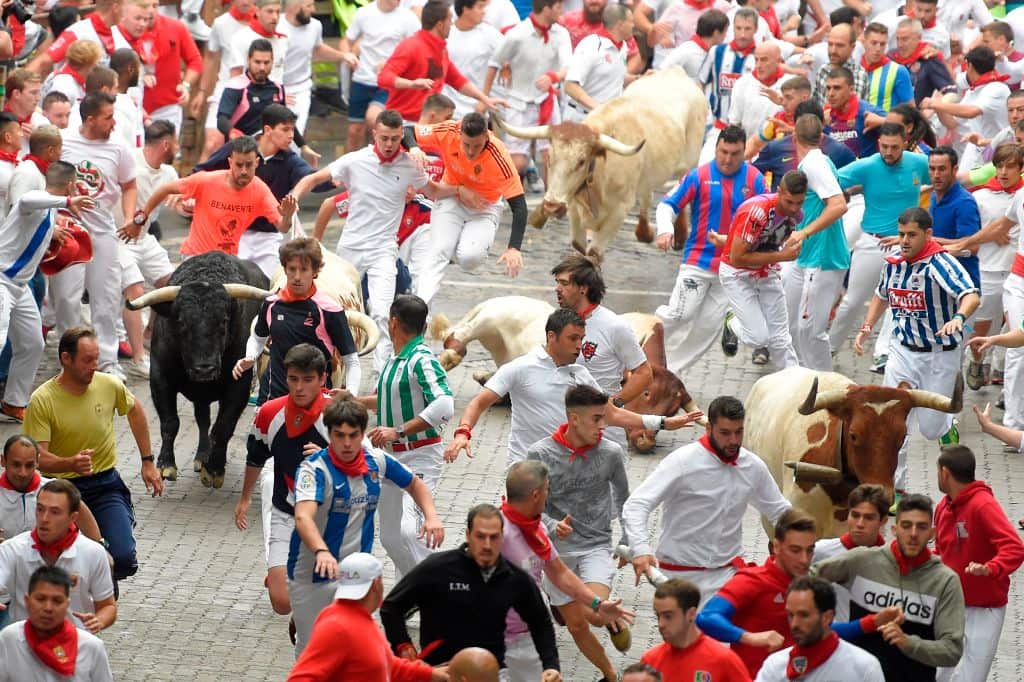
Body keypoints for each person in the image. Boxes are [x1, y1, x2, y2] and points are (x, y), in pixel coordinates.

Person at [288, 110, 442, 373]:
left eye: (395, 138)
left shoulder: (409, 165)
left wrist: (467, 192)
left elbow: (436, 191)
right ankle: (326, 366)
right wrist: (294, 198)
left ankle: (382, 376)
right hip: (350, 249)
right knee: (332, 308)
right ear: (375, 135)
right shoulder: (355, 160)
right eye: (385, 138)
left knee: (382, 312)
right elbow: (315, 179)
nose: (390, 144)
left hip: (384, 251)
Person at [445, 308, 703, 465]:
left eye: (581, 338)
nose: (579, 345)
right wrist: (463, 433)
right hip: (526, 472)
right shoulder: (519, 368)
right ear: (551, 337)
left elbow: (610, 413)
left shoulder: (581, 374)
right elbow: (479, 402)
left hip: (569, 472)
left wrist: (661, 423)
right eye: (573, 338)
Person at [287, 398, 444, 654]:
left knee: (355, 644)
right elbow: (303, 517)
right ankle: (306, 619)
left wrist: (432, 516)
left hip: (354, 574)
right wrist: (322, 551)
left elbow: (414, 484)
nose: (347, 443)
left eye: (353, 435)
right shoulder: (313, 469)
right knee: (314, 649)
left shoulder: (377, 460)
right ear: (329, 434)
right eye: (339, 436)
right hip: (311, 573)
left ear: (362, 433)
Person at [23, 327, 164, 583]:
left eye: (97, 358)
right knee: (64, 564)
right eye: (87, 360)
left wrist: (147, 462)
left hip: (105, 485)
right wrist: (69, 463)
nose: (95, 366)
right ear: (66, 359)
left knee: (123, 557)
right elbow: (37, 458)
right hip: (61, 489)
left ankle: (104, 577)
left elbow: (135, 411)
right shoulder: (42, 400)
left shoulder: (108, 384)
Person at [853, 208, 979, 491]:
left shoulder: (940, 264)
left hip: (939, 355)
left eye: (912, 235)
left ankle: (946, 427)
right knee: (893, 425)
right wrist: (866, 327)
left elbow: (971, 295)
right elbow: (880, 295)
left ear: (928, 234)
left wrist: (958, 318)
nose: (905, 241)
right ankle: (895, 490)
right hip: (902, 353)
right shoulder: (893, 264)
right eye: (901, 235)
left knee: (930, 428)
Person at [622, 395, 790, 606]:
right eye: (725, 433)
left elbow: (781, 512)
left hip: (728, 575)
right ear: (709, 428)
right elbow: (638, 504)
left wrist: (814, 546)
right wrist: (641, 549)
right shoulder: (683, 461)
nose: (733, 441)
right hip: (680, 578)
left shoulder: (753, 466)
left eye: (739, 432)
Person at [526, 385, 632, 680]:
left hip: (595, 546)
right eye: (596, 419)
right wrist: (550, 525)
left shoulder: (611, 453)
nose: (603, 426)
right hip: (555, 554)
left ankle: (608, 618)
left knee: (594, 613)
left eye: (605, 419)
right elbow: (525, 505)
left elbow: (625, 498)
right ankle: (611, 676)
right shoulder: (540, 452)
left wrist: (627, 541)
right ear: (574, 418)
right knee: (576, 626)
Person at [380, 503, 561, 676]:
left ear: (502, 538)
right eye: (480, 536)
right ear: (468, 535)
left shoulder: (515, 579)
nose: (487, 545)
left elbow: (540, 622)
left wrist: (550, 665)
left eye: (494, 537)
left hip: (491, 673)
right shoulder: (437, 569)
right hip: (441, 671)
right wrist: (403, 646)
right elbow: (391, 607)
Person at [495, 461, 635, 681]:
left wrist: (597, 604)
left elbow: (560, 573)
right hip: (492, 637)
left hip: (528, 635)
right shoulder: (496, 532)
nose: (548, 496)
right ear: (536, 495)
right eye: (547, 490)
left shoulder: (536, 529)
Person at [813, 494, 966, 681]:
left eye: (922, 527)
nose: (913, 534)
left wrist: (909, 643)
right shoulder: (862, 560)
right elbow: (804, 580)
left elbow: (952, 650)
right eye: (906, 525)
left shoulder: (945, 581)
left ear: (933, 533)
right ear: (894, 529)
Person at [655, 125, 766, 376]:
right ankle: (638, 341)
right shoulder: (699, 175)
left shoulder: (756, 180)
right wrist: (665, 230)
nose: (727, 159)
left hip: (733, 269)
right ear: (716, 148)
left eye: (735, 154)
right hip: (698, 261)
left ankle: (667, 374)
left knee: (707, 328)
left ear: (743, 152)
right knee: (680, 313)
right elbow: (667, 205)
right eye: (723, 152)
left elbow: (768, 217)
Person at [355, 295, 452, 578]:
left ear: (393, 322)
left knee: (410, 530)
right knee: (389, 535)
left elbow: (445, 404)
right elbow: (386, 399)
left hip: (419, 454)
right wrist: (353, 400)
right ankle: (414, 595)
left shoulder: (421, 359)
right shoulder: (397, 359)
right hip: (389, 457)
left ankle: (434, 591)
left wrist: (397, 431)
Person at [235, 344, 333, 617]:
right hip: (285, 512)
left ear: (322, 379)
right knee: (281, 603)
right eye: (293, 379)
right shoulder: (269, 413)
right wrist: (244, 498)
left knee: (328, 599)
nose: (299, 387)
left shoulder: (338, 414)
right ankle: (287, 580)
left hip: (330, 516)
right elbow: (255, 457)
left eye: (308, 380)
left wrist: (331, 458)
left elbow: (363, 466)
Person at [828, 123, 930, 369]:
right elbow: (831, 180)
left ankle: (884, 353)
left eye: (894, 147)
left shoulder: (918, 163)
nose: (888, 152)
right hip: (872, 242)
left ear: (905, 143)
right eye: (884, 147)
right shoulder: (868, 165)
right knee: (853, 301)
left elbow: (945, 177)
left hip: (906, 244)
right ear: (878, 145)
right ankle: (828, 348)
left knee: (899, 300)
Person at [50, 92, 137, 380]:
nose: (113, 122)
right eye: (108, 117)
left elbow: (130, 184)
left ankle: (108, 361)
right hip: (69, 232)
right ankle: (69, 360)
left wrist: (129, 217)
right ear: (90, 119)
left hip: (102, 233)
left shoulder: (119, 147)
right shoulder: (64, 141)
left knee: (106, 298)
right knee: (65, 298)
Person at [0, 162, 95, 422]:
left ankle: (13, 402)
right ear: (69, 184)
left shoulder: (49, 211)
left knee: (32, 343)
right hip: (2, 280)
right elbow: (27, 200)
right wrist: (66, 200)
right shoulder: (36, 198)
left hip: (19, 286)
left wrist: (54, 230)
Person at [408, 113, 529, 304]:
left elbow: (519, 206)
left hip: (484, 207)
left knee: (469, 258)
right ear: (460, 133)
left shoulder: (500, 157)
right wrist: (414, 148)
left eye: (477, 146)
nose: (471, 152)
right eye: (466, 145)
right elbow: (408, 131)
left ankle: (451, 247)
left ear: (487, 137)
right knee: (438, 252)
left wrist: (514, 248)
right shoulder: (448, 130)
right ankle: (420, 312)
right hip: (451, 196)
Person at [196, 105, 330, 278]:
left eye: (292, 130)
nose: (291, 135)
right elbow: (203, 170)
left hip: (268, 236)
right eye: (285, 129)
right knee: (230, 281)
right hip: (234, 232)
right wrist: (188, 197)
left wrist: (334, 177)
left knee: (272, 284)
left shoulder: (290, 160)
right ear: (267, 129)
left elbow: (312, 180)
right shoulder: (241, 149)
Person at [934, 445, 1024, 682]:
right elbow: (942, 550)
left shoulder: (983, 505)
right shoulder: (943, 507)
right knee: (937, 672)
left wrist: (991, 568)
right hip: (951, 603)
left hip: (985, 608)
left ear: (944, 473)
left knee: (972, 677)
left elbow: (1014, 547)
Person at [128, 135, 297, 258]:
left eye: (249, 165)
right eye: (239, 165)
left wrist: (288, 216)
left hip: (228, 260)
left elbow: (282, 227)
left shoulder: (260, 189)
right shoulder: (207, 180)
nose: (244, 171)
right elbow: (165, 188)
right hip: (195, 256)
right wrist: (141, 217)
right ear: (230, 162)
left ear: (257, 163)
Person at [233, 238, 360, 402]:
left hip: (315, 402)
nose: (297, 276)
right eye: (292, 269)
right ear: (284, 269)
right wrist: (250, 357)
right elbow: (258, 339)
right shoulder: (271, 303)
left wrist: (351, 394)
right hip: (272, 397)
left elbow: (351, 360)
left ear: (315, 271)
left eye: (304, 269)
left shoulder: (330, 310)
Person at [696, 509, 819, 676]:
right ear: (776, 547)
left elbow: (825, 629)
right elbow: (706, 618)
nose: (804, 559)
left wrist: (865, 625)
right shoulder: (752, 580)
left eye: (810, 550)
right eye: (795, 550)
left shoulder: (810, 584)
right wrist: (749, 637)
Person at [286, 553, 442, 681]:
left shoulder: (359, 618)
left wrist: (432, 674)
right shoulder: (338, 625)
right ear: (376, 584)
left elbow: (386, 664)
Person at [551, 254, 651, 446]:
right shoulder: (557, 321)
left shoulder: (614, 326)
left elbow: (644, 373)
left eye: (564, 283)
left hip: (602, 433)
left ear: (583, 288)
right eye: (557, 283)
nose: (557, 289)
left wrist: (615, 403)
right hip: (562, 426)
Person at [718, 170, 808, 370]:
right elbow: (738, 257)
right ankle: (731, 321)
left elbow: (765, 242)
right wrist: (782, 256)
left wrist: (788, 248)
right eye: (788, 202)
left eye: (799, 202)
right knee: (758, 338)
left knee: (780, 338)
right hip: (736, 273)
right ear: (779, 192)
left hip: (766, 272)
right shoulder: (757, 211)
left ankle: (794, 384)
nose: (793, 208)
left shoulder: (797, 216)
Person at [0, 479, 116, 632]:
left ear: (73, 518)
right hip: (24, 647)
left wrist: (98, 621)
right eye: (40, 509)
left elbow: (107, 605)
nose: (44, 518)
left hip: (75, 645)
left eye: (55, 512)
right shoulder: (12, 549)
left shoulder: (93, 552)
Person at [782, 114, 849, 371]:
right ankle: (799, 380)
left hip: (824, 258)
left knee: (811, 331)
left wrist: (804, 233)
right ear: (821, 137)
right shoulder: (818, 161)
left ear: (794, 137)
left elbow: (838, 205)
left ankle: (825, 385)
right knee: (792, 327)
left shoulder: (814, 164)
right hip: (805, 257)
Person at [483, 0, 572, 186]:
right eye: (558, 7)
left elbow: (568, 66)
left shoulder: (561, 33)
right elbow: (494, 63)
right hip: (518, 102)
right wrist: (485, 97)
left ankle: (552, 202)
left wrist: (553, 77)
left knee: (551, 155)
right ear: (546, 8)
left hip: (547, 101)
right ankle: (503, 194)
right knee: (518, 162)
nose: (562, 12)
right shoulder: (517, 34)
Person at [377, 0, 499, 125]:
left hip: (427, 124)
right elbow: (384, 78)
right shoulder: (411, 46)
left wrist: (484, 98)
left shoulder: (441, 50)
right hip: (403, 123)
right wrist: (412, 84)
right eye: (449, 20)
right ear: (440, 25)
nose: (452, 24)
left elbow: (457, 80)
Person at [963, 143, 1022, 390]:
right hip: (987, 271)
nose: (1003, 172)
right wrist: (987, 236)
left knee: (1014, 328)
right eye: (999, 166)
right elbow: (975, 232)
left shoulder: (1021, 195)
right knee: (983, 325)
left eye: (1010, 166)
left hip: (1015, 273)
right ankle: (977, 359)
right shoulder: (980, 197)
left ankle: (1004, 376)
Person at [754, 577, 885, 682]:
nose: (794, 624)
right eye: (790, 615)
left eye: (804, 615)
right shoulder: (775, 665)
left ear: (827, 617)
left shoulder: (864, 667)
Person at [0, 565, 113, 682]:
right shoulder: (9, 639)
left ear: (67, 604)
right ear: (27, 601)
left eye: (57, 601)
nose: (48, 608)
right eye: (40, 599)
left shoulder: (91, 647)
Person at [340, 0, 419, 153]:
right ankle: (346, 173)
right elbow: (346, 41)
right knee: (354, 130)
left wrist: (393, 63)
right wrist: (347, 54)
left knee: (374, 119)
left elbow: (417, 49)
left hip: (389, 81)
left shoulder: (408, 17)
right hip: (362, 79)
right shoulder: (364, 13)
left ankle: (376, 165)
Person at [639, 578, 751, 682]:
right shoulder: (650, 661)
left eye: (668, 616)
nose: (661, 624)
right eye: (658, 616)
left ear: (691, 614)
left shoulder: (724, 660)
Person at [922, 47, 1010, 172]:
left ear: (969, 65)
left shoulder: (997, 88)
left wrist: (935, 104)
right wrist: (937, 107)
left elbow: (971, 112)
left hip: (998, 149)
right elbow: (951, 123)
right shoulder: (972, 91)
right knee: (964, 184)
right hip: (974, 149)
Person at [120, 0, 201, 134]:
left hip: (167, 106)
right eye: (146, 6)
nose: (150, 10)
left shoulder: (176, 27)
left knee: (165, 150)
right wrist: (139, 75)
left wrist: (186, 85)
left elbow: (195, 60)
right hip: (133, 104)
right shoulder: (123, 32)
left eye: (155, 5)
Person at [277, 0, 357, 134]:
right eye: (308, 6)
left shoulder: (315, 26)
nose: (313, 10)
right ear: (294, 8)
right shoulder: (276, 26)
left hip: (301, 89)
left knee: (294, 136)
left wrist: (343, 56)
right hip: (277, 88)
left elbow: (317, 49)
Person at [190, 0, 257, 161]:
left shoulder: (266, 21)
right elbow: (211, 58)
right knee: (212, 143)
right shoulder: (221, 24)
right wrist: (202, 92)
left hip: (257, 91)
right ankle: (195, 184)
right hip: (227, 88)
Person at [812, 484, 889, 622]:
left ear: (883, 520)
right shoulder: (819, 551)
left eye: (868, 518)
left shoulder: (892, 559)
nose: (860, 523)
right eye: (855, 515)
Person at [562, 4, 636, 123]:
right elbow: (570, 86)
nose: (634, 26)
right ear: (620, 24)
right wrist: (599, 109)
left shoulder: (623, 47)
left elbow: (614, 76)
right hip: (581, 119)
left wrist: (639, 79)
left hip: (605, 120)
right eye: (631, 22)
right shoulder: (591, 45)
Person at [926, 146, 981, 291]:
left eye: (942, 169)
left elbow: (972, 246)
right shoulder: (934, 195)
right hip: (938, 281)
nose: (936, 174)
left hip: (962, 285)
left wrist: (931, 242)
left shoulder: (964, 203)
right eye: (932, 169)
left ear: (955, 170)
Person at [31, 0, 129, 75]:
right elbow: (42, 62)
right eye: (125, 7)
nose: (126, 13)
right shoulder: (78, 32)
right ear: (115, 8)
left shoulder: (118, 33)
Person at [700, 8, 758, 128]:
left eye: (747, 29)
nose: (742, 34)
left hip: (747, 128)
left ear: (756, 29)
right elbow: (701, 83)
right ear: (733, 28)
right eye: (738, 28)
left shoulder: (760, 56)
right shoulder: (716, 51)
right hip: (718, 125)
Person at [445, 0, 504, 119]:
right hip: (448, 110)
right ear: (466, 9)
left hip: (476, 109)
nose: (484, 12)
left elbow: (510, 54)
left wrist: (484, 100)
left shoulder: (490, 34)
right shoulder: (446, 34)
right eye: (480, 7)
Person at [726, 42, 785, 143]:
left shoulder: (791, 85)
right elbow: (734, 124)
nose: (758, 65)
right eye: (756, 60)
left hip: (779, 152)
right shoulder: (742, 83)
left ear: (778, 61)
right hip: (748, 149)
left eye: (764, 60)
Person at [888, 18, 955, 105]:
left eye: (905, 39)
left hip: (918, 115)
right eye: (897, 39)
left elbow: (951, 92)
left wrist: (933, 107)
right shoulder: (890, 58)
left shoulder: (929, 60)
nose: (900, 44)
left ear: (919, 38)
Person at [659, 9, 729, 79]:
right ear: (716, 33)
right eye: (725, 31)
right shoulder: (686, 51)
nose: (726, 35)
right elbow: (661, 72)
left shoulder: (714, 53)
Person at [860, 22, 914, 112]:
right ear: (864, 42)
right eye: (874, 43)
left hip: (886, 125)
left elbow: (910, 111)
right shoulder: (853, 68)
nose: (878, 49)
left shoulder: (898, 71)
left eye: (882, 44)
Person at [813, 23, 868, 106]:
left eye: (839, 45)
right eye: (830, 44)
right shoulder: (822, 70)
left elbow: (851, 113)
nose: (833, 50)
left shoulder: (857, 75)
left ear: (852, 47)